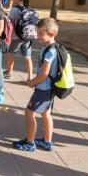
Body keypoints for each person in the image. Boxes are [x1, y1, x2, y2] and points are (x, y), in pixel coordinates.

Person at [13, 18, 59, 152]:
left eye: (40, 33)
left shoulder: (50, 51)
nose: (38, 36)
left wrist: (32, 82)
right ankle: (47, 141)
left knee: (29, 113)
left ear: (51, 34)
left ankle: (30, 143)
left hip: (43, 88)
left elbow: (44, 74)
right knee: (46, 113)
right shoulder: (54, 48)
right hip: (49, 89)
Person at [4, 0, 34, 82]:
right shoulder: (28, 9)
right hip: (27, 37)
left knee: (10, 54)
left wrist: (8, 36)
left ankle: (9, 72)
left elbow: (11, 25)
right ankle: (30, 77)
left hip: (16, 37)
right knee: (27, 57)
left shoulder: (14, 10)